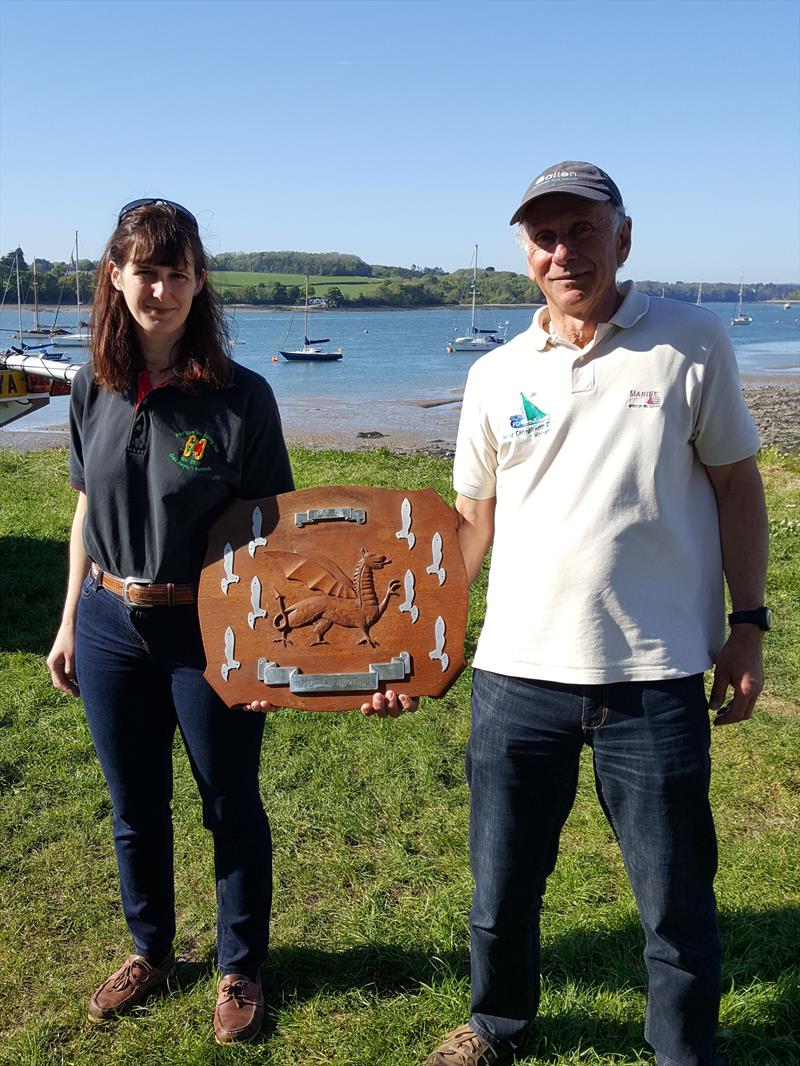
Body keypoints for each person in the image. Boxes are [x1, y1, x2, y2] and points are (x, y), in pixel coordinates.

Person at [426, 162, 770, 1066]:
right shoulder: (497, 374)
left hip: (653, 677)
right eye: (544, 236)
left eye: (581, 229)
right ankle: (497, 1026)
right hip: (515, 678)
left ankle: (681, 1053)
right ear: (524, 255)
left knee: (676, 901)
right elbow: (473, 523)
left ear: (623, 236)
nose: (562, 250)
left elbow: (737, 485)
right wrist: (419, 647)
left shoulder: (690, 342)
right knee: (501, 891)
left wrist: (750, 622)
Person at [46, 198, 296, 1044]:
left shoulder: (241, 399)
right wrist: (71, 617)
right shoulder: (91, 387)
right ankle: (151, 952)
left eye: (176, 271)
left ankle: (238, 966)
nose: (161, 287)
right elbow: (86, 512)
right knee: (133, 805)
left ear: (199, 283)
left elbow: (272, 534)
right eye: (145, 270)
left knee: (230, 801)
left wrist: (265, 645)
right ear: (115, 276)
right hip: (115, 625)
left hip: (211, 630)